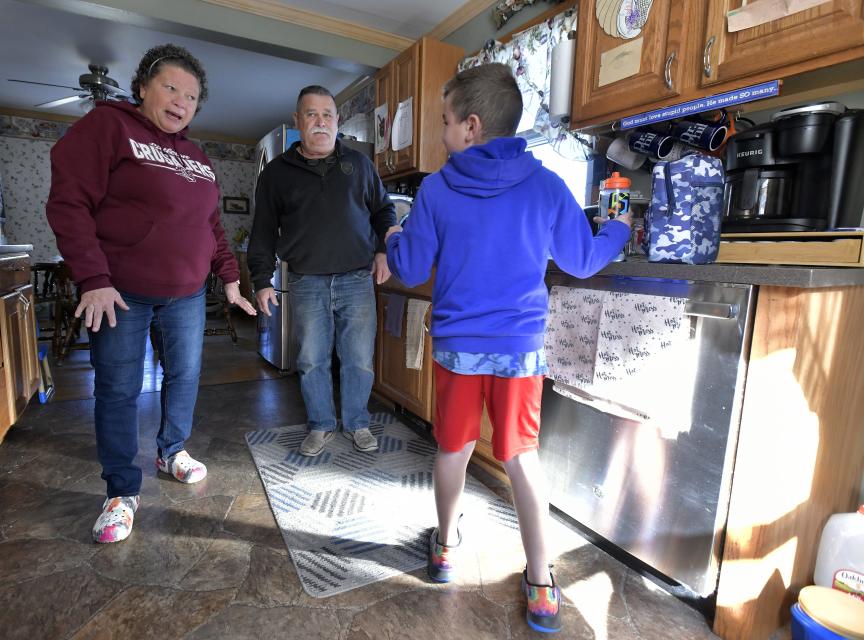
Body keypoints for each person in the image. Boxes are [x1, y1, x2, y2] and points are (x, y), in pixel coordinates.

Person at [385, 63, 631, 633]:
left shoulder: (437, 189)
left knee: (454, 449)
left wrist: (395, 240)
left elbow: (414, 266)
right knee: (521, 458)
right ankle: (542, 583)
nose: (443, 133)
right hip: (519, 349)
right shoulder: (547, 185)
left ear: (470, 127)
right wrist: (616, 230)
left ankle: (445, 547)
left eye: (445, 122)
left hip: (458, 350)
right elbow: (582, 260)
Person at [46, 43, 256, 544]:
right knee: (118, 389)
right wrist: (93, 278)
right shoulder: (108, 127)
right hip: (121, 293)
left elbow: (211, 226)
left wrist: (228, 276)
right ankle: (121, 490)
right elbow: (69, 203)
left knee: (184, 376)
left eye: (191, 95)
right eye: (170, 87)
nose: (181, 100)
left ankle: (172, 450)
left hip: (185, 294)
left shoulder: (199, 158)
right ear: (142, 87)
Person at [248, 85, 396, 457]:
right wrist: (261, 280)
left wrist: (383, 251)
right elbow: (263, 230)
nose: (320, 122)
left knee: (358, 358)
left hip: (357, 278)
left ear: (337, 121)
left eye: (327, 114)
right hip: (306, 280)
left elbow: (384, 211)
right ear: (298, 121)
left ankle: (357, 422)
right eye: (311, 114)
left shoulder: (360, 165)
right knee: (312, 358)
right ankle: (320, 424)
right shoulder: (277, 174)